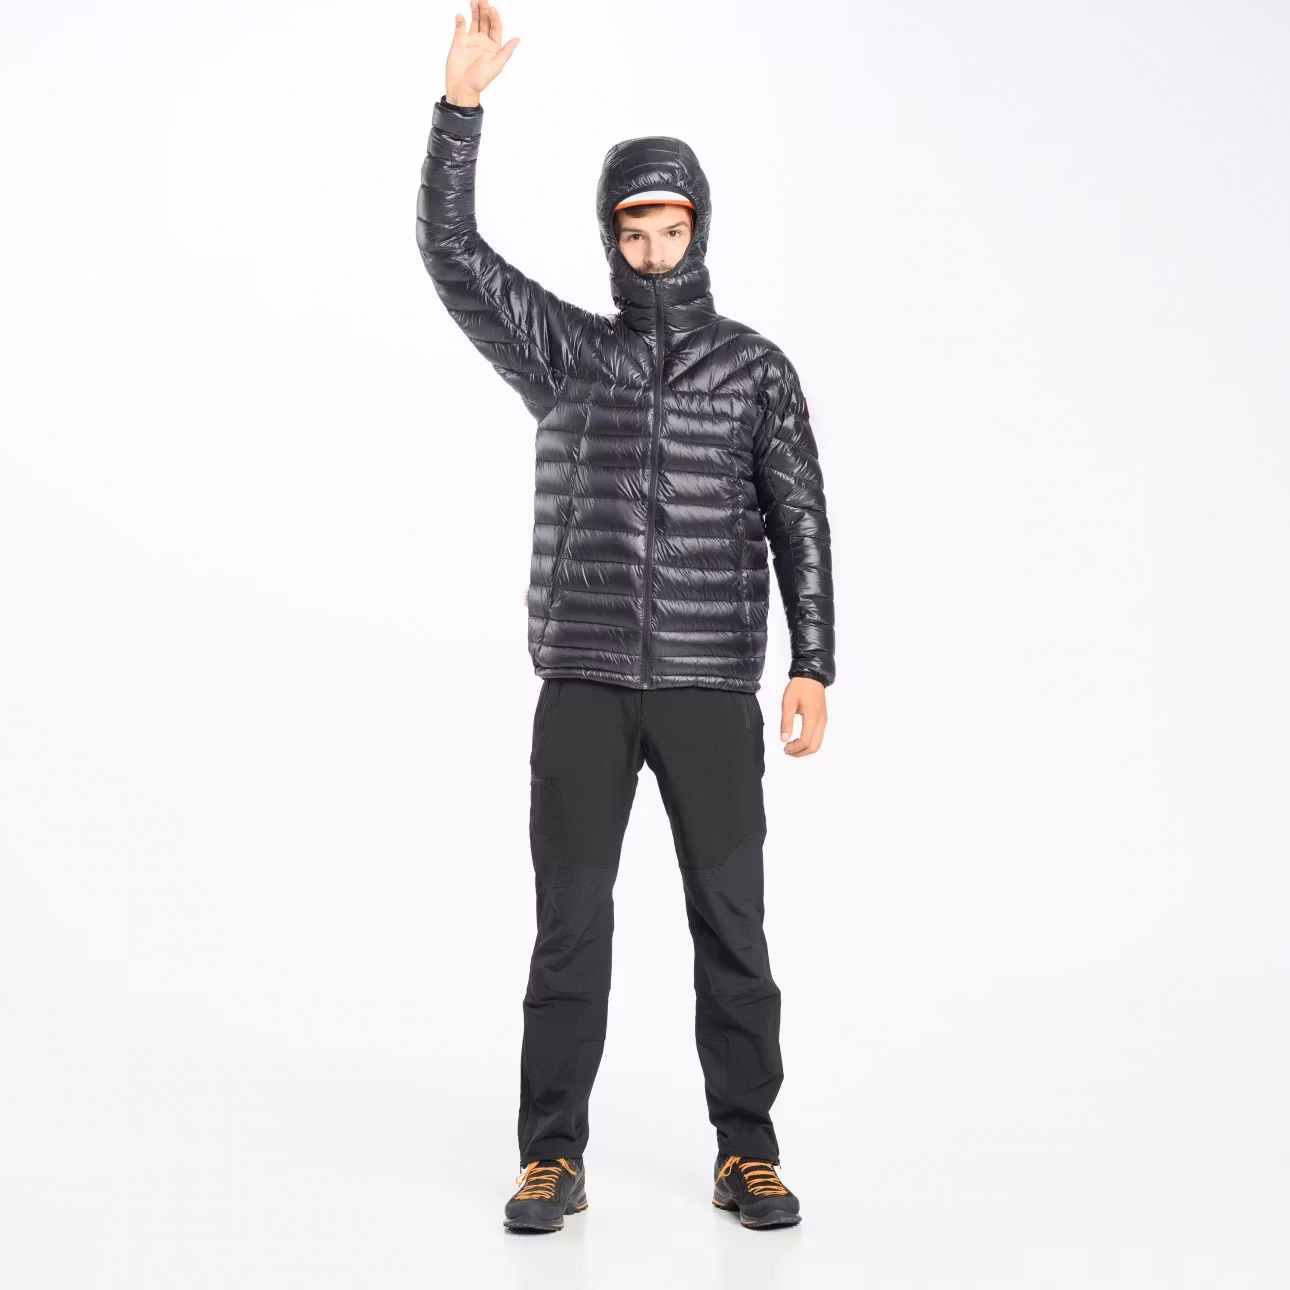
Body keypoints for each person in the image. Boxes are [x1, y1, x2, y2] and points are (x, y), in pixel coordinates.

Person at [415, 3, 834, 1233]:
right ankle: (552, 1155)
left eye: (672, 226)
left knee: (733, 927)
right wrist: (460, 110)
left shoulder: (755, 372)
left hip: (710, 688)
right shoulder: (566, 354)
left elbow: (801, 518)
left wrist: (813, 661)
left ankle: (748, 1151)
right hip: (586, 685)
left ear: (699, 229)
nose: (653, 247)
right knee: (568, 930)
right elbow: (453, 252)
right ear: (611, 236)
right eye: (634, 228)